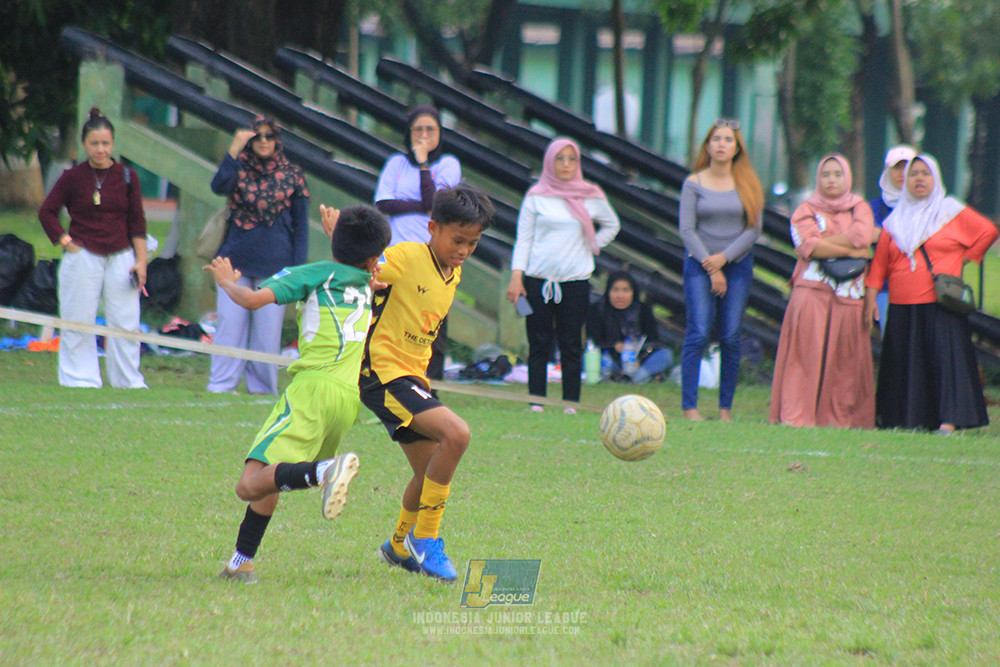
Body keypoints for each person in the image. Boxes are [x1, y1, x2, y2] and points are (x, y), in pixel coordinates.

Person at [212, 204, 393, 583]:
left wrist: (227, 281)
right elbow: (354, 263)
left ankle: (327, 471)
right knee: (271, 475)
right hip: (347, 400)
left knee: (249, 484)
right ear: (374, 256)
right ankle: (241, 561)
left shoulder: (312, 274)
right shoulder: (367, 280)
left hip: (312, 390)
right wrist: (338, 235)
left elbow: (251, 300)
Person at [358, 184, 494, 582]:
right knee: (458, 434)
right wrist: (364, 281)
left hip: (413, 378)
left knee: (429, 471)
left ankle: (398, 545)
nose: (464, 250)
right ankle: (426, 537)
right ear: (432, 228)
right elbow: (360, 271)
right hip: (383, 374)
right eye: (457, 240)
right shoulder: (404, 257)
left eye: (473, 243)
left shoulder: (453, 273)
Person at [863, 154, 998, 434]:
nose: (919, 179)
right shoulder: (896, 220)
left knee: (943, 362)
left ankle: (947, 420)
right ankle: (907, 418)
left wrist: (964, 259)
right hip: (902, 303)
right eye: (914, 174)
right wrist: (871, 300)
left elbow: (987, 231)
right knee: (906, 362)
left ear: (935, 178)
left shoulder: (948, 211)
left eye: (925, 173)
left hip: (940, 303)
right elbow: (879, 265)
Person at [505, 138, 620, 414]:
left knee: (570, 341)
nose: (566, 165)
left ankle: (570, 402)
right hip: (537, 279)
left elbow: (612, 225)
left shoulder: (590, 194)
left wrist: (591, 244)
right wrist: (516, 276)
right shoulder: (536, 195)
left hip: (575, 281)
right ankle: (537, 401)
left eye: (572, 159)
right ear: (549, 162)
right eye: (560, 158)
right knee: (539, 342)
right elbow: (524, 238)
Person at [38, 107, 147, 389]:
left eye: (106, 143)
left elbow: (137, 222)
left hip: (121, 254)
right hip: (83, 254)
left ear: (113, 144)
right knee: (77, 318)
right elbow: (47, 212)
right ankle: (80, 379)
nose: (100, 149)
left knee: (125, 321)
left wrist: (141, 261)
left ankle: (127, 380)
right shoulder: (72, 177)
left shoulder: (127, 176)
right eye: (94, 143)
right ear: (84, 144)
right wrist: (65, 241)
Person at [769, 154, 875, 429]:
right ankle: (797, 418)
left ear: (848, 177)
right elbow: (810, 246)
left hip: (849, 294)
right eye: (826, 174)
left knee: (845, 361)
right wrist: (851, 250)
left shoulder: (859, 207)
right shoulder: (805, 209)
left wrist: (825, 243)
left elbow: (863, 237)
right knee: (804, 357)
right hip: (811, 290)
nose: (831, 180)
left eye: (838, 174)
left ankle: (838, 420)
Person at [207, 118, 309, 395]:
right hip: (234, 263)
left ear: (277, 140)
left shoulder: (294, 176)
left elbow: (301, 229)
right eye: (257, 137)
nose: (263, 141)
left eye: (269, 136)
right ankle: (221, 385)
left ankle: (262, 389)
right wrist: (235, 148)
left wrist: (297, 273)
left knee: (266, 335)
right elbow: (217, 186)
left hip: (275, 267)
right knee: (229, 328)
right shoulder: (239, 170)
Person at [678, 119, 764, 421]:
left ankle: (724, 408)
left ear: (737, 147)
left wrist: (724, 260)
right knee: (698, 332)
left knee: (729, 335)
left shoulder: (748, 183)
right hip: (699, 264)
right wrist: (711, 265)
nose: (721, 144)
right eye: (716, 139)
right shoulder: (693, 183)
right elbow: (687, 230)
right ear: (707, 145)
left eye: (728, 139)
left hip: (737, 266)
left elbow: (753, 229)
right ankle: (690, 407)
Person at [375, 105, 462, 381]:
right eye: (418, 129)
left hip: (432, 256)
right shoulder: (396, 163)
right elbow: (383, 202)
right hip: (396, 255)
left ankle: (430, 385)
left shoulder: (448, 164)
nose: (424, 135)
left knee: (430, 325)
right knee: (389, 318)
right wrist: (421, 206)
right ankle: (385, 378)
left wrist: (424, 163)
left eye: (430, 129)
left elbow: (436, 204)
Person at [586, 269, 673, 384]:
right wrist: (614, 346)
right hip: (610, 359)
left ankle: (635, 379)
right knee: (593, 358)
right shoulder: (598, 309)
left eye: (625, 290)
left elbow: (654, 340)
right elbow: (593, 342)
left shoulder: (642, 310)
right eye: (615, 290)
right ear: (608, 291)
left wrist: (636, 352)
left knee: (666, 355)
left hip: (637, 360)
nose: (620, 295)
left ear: (633, 292)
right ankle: (633, 378)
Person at [868, 145, 917, 335]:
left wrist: (884, 234)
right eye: (896, 167)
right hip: (886, 288)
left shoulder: (925, 206)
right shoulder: (876, 207)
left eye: (907, 168)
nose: (902, 173)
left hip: (922, 289)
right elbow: (868, 236)